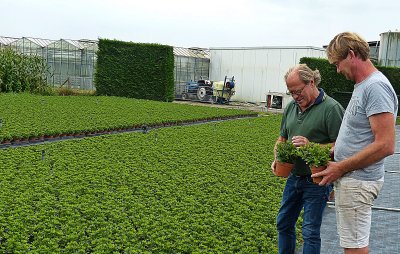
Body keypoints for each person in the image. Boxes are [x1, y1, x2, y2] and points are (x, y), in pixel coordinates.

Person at [313, 32, 398, 254]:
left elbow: (386, 144)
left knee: (355, 248)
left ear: (351, 54)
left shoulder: (375, 87)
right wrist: (333, 152)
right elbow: (361, 135)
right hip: (352, 180)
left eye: (337, 64)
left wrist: (340, 167)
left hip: (358, 182)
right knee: (351, 244)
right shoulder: (363, 85)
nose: (338, 70)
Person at [271, 64, 345, 254]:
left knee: (310, 231)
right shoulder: (290, 108)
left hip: (318, 180)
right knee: (283, 223)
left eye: (298, 91)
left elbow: (342, 147)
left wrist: (310, 146)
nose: (295, 96)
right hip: (294, 177)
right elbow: (282, 139)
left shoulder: (332, 109)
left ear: (311, 83)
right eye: (291, 92)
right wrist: (278, 157)